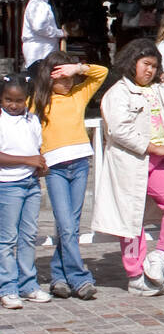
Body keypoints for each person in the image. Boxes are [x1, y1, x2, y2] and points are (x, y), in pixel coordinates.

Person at [92, 39, 164, 297]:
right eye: (145, 64)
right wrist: (151, 147)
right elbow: (118, 129)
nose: (149, 70)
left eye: (154, 66)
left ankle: (161, 256)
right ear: (132, 63)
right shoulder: (118, 93)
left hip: (159, 162)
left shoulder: (158, 89)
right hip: (132, 162)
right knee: (131, 218)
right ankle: (135, 274)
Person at [30, 54, 108, 300]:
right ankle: (80, 278)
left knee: (71, 226)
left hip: (80, 165)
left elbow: (102, 73)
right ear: (49, 77)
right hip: (56, 170)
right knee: (65, 224)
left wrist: (78, 67)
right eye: (62, 78)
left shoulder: (79, 94)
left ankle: (59, 277)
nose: (69, 82)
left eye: (71, 78)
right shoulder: (38, 103)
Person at [0, 74, 51, 308]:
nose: (13, 105)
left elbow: (36, 148)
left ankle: (28, 284)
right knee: (7, 239)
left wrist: (40, 165)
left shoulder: (32, 120)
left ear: (27, 99)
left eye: (19, 100)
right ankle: (7, 287)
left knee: (29, 236)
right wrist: (28, 160)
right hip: (7, 185)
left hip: (31, 184)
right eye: (8, 99)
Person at [21, 0, 65, 74]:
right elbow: (39, 27)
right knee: (41, 82)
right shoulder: (39, 4)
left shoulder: (39, 3)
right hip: (40, 51)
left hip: (42, 51)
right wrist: (59, 33)